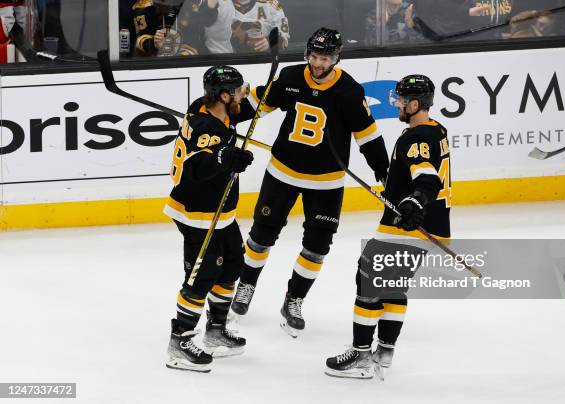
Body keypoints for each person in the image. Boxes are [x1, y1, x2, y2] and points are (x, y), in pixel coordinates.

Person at [229, 27, 390, 338]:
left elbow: (368, 138)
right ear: (308, 55)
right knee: (261, 237)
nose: (318, 64)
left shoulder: (350, 92)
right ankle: (245, 286)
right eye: (314, 57)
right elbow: (255, 105)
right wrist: (223, 119)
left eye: (325, 58)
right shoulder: (290, 77)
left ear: (336, 58)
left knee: (316, 248)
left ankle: (294, 299)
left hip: (327, 182)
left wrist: (383, 173)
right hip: (282, 174)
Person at [325, 74, 451, 379]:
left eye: (402, 100)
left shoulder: (415, 137)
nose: (397, 104)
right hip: (432, 226)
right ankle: (385, 350)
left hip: (405, 227)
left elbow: (426, 177)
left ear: (416, 104)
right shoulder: (436, 130)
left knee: (368, 283)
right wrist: (396, 191)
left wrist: (415, 202)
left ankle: (361, 355)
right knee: (393, 287)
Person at [163, 65, 255, 372]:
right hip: (198, 212)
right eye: (239, 90)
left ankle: (215, 330)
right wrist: (223, 157)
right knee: (201, 277)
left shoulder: (207, 109)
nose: (242, 94)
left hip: (220, 209)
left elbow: (243, 112)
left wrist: (273, 93)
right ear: (225, 95)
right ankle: (180, 342)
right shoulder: (207, 127)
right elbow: (196, 168)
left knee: (233, 263)